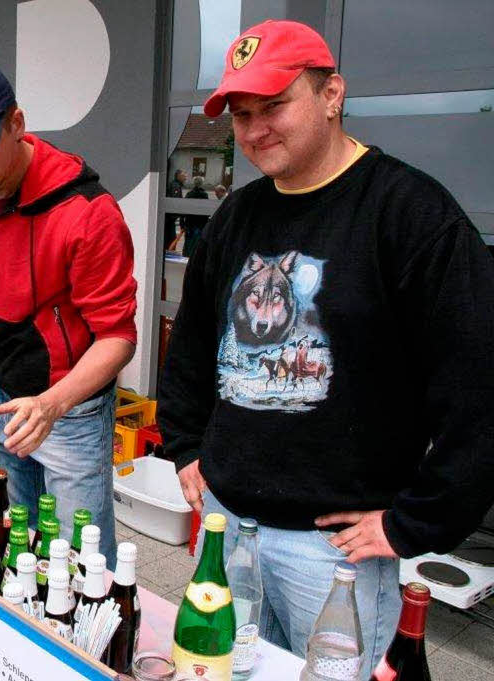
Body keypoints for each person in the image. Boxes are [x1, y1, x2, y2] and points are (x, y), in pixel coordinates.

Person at [156, 20, 494, 677]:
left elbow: (479, 388)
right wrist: (185, 445)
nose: (255, 131)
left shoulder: (411, 214)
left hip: (335, 551)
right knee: (232, 668)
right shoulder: (236, 216)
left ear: (332, 93)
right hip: (229, 527)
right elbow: (191, 345)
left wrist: (414, 523)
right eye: (243, 115)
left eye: (274, 106)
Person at [0, 57, 138, 567]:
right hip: (0, 394)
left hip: (70, 407)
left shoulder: (85, 211)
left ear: (17, 124)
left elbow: (117, 337)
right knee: (12, 539)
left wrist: (53, 404)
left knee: (77, 560)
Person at [181, 176, 209, 258]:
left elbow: (184, 208)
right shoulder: (204, 194)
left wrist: (182, 223)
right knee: (197, 243)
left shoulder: (189, 194)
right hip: (200, 223)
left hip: (190, 222)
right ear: (201, 184)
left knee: (189, 242)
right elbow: (206, 211)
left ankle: (186, 256)